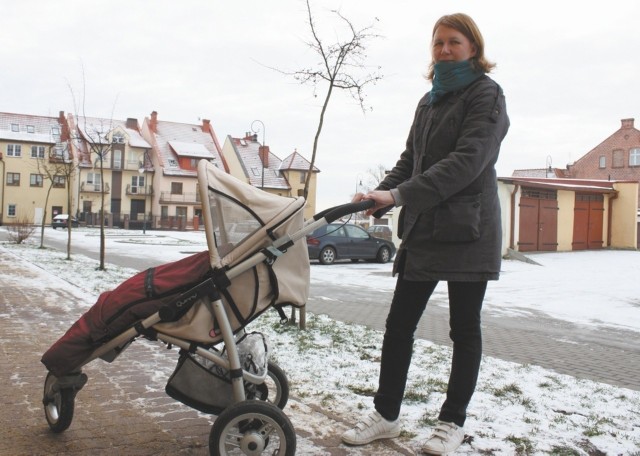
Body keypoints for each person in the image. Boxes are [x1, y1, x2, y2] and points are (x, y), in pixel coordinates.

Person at [341, 12, 509, 455]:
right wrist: (380, 192)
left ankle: (451, 422)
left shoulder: (486, 95)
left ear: (474, 47)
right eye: (438, 43)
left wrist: (399, 196)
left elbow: (466, 162)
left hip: (468, 230)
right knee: (399, 326)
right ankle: (386, 415)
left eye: (454, 42)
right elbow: (411, 160)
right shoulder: (429, 101)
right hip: (424, 228)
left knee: (463, 330)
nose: (445, 50)